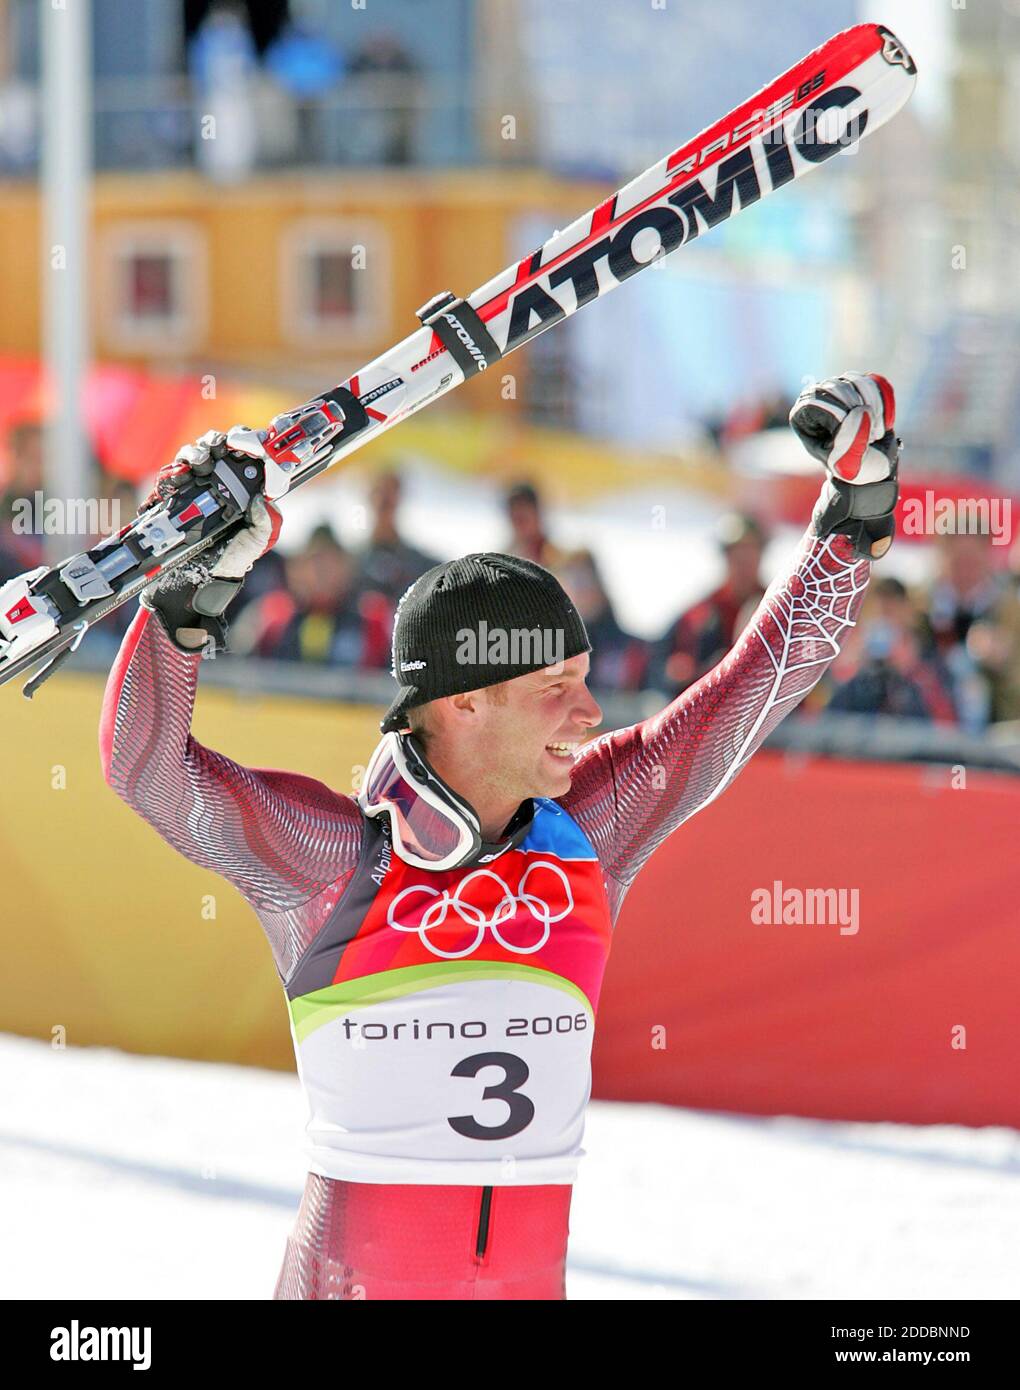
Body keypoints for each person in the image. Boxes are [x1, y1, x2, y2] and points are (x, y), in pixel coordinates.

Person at [100, 371, 900, 1300]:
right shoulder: (337, 860)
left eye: (585, 676)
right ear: (466, 702)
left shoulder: (592, 831)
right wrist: (186, 603)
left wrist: (853, 515)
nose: (590, 710)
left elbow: (754, 685)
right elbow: (147, 769)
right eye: (554, 686)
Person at [651, 513, 767, 696]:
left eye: (750, 551)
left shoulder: (779, 612)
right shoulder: (696, 616)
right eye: (736, 552)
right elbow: (655, 669)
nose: (743, 561)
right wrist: (676, 673)